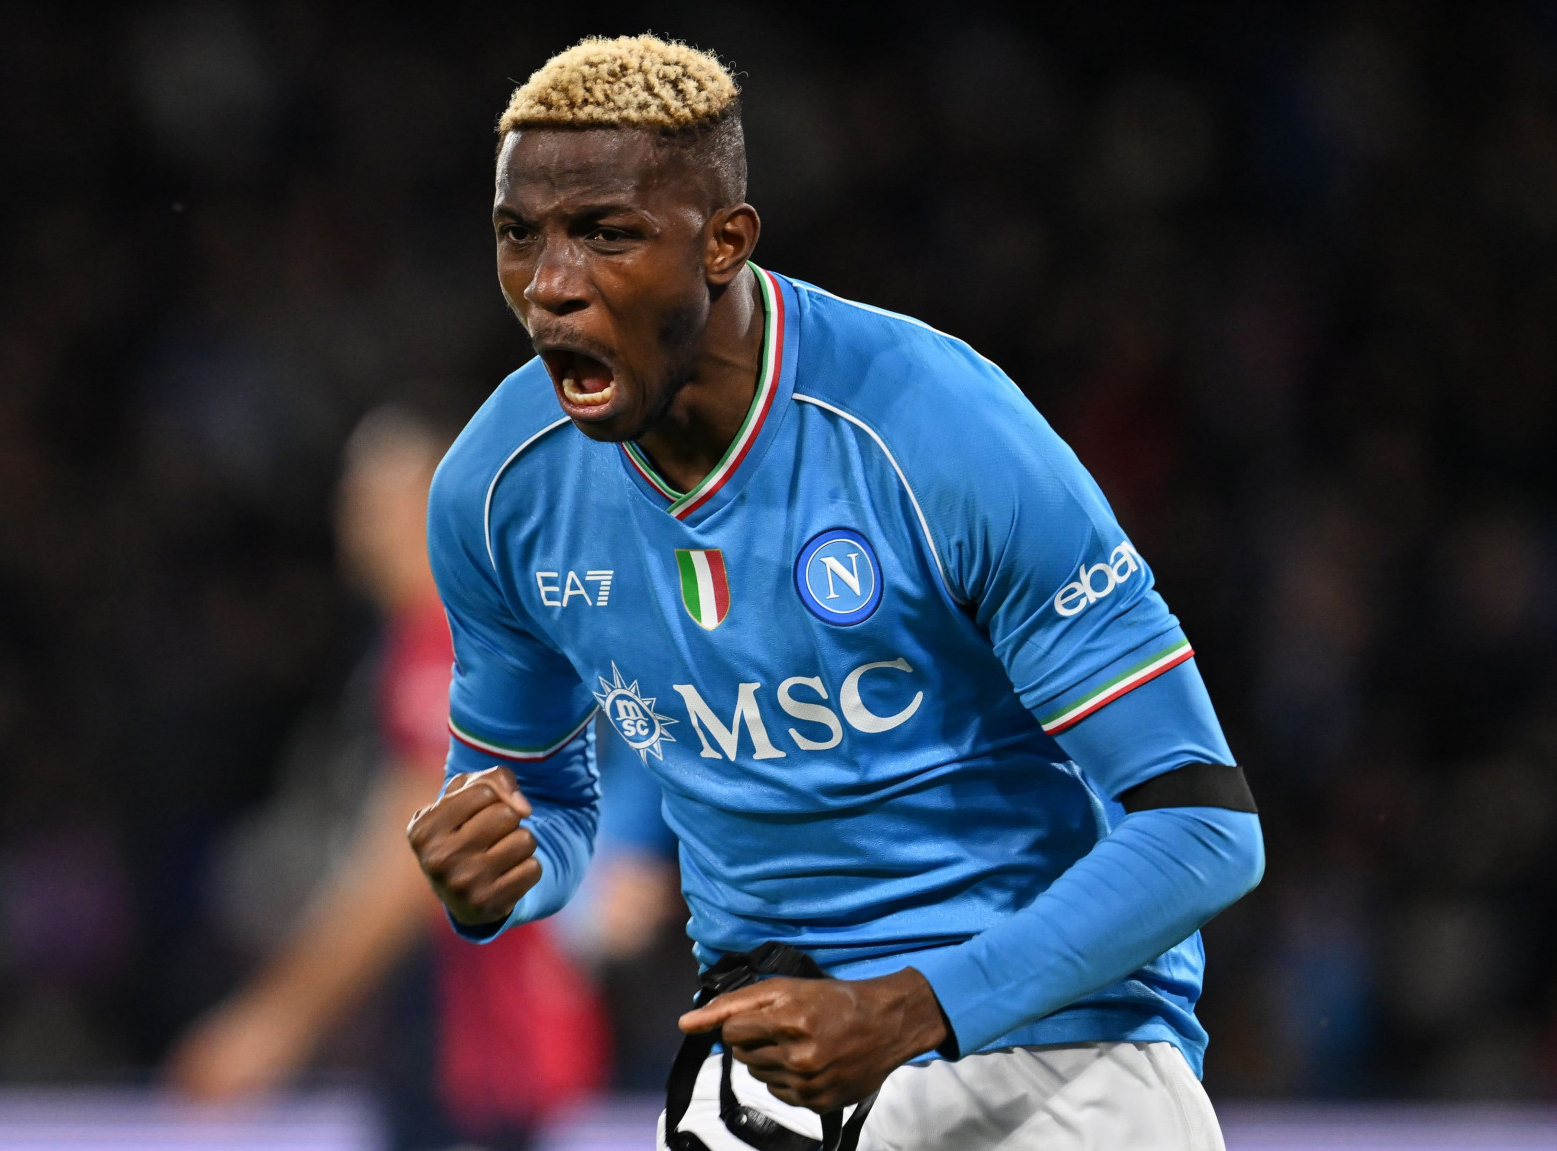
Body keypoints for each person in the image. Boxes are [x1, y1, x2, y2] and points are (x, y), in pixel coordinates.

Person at [405, 36, 1266, 1151]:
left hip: (1055, 1051)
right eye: (519, 234)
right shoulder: (496, 489)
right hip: (774, 1061)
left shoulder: (936, 428)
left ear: (725, 241)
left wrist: (910, 1010)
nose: (550, 286)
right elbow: (539, 806)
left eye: (607, 233)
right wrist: (495, 881)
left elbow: (1203, 826)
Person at [166, 411, 608, 1150]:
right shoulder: (453, 633)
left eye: (387, 500)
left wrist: (280, 1017)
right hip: (471, 1032)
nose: (362, 522)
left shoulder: (451, 643)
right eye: (356, 496)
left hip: (478, 1045)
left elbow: (412, 860)